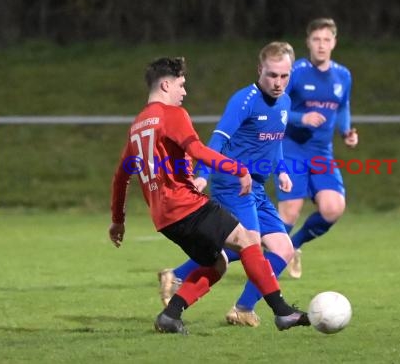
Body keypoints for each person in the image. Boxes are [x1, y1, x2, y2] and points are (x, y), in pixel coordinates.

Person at [109, 56, 309, 335]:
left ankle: (170, 314)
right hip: (185, 204)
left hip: (163, 218)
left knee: (218, 263)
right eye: (181, 85)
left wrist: (118, 221)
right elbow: (199, 151)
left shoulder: (137, 126)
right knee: (247, 240)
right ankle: (281, 312)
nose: (184, 92)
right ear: (166, 85)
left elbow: (121, 177)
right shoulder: (173, 115)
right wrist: (237, 168)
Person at [158, 42, 298, 327]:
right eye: (272, 75)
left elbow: (276, 142)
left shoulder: (285, 102)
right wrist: (202, 175)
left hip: (256, 188)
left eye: (284, 76)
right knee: (252, 246)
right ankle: (239, 305)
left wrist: (282, 171)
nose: (278, 82)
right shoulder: (244, 100)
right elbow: (218, 139)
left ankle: (236, 303)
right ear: (260, 70)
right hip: (231, 183)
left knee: (284, 249)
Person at [277, 18, 358, 279]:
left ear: (334, 42)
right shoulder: (295, 72)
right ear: (308, 42)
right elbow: (277, 108)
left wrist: (346, 131)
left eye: (326, 39)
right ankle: (266, 265)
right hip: (291, 149)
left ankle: (293, 246)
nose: (321, 45)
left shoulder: (343, 75)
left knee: (333, 208)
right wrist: (302, 118)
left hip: (322, 153)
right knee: (289, 213)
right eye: (316, 39)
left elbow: (342, 106)